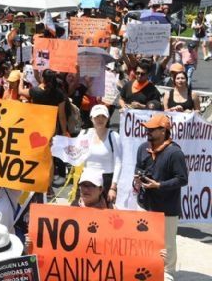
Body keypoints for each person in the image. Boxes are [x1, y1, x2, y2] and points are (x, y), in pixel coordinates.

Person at [134, 113, 188, 281]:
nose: (148, 131)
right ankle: (147, 266)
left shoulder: (174, 152)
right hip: (145, 204)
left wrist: (159, 185)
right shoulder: (143, 147)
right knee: (144, 240)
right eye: (147, 128)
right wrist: (137, 179)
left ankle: (168, 273)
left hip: (167, 207)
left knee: (168, 244)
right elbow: (138, 167)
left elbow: (182, 179)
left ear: (164, 131)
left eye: (152, 129)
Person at [80, 104, 121, 202]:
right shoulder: (84, 134)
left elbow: (118, 163)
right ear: (91, 118)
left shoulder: (114, 136)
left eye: (104, 116)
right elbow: (73, 152)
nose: (100, 119)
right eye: (97, 116)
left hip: (105, 180)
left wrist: (113, 187)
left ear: (108, 118)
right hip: (86, 178)